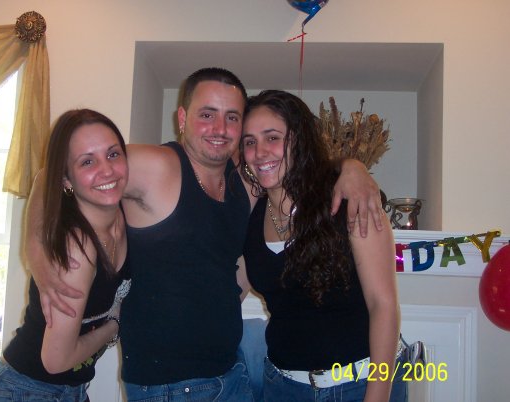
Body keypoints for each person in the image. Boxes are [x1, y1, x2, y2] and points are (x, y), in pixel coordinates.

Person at [26, 68, 384, 401]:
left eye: (232, 117)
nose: (220, 128)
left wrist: (351, 167)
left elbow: (297, 162)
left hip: (232, 373)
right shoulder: (155, 167)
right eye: (207, 114)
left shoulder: (247, 180)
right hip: (168, 386)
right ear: (182, 118)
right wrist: (36, 253)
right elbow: (53, 174)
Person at [239, 89, 407, 401]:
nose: (260, 151)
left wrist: (378, 395)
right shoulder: (251, 215)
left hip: (359, 384)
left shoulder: (350, 201)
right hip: (283, 387)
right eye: (250, 142)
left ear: (299, 140)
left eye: (272, 137)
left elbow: (383, 306)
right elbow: (230, 292)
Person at [0, 109, 131, 402]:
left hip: (71, 389)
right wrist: (113, 326)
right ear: (66, 179)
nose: (107, 170)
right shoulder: (77, 247)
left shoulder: (122, 209)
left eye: (113, 154)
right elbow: (56, 360)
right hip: (26, 390)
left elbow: (43, 177)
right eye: (87, 161)